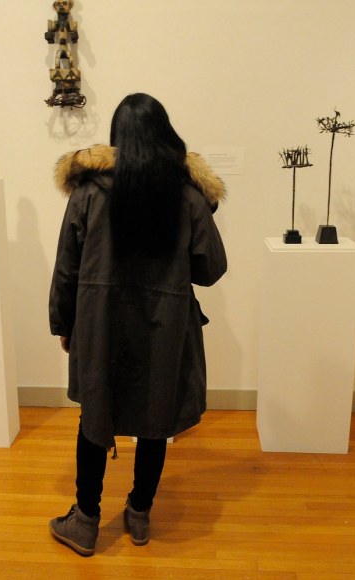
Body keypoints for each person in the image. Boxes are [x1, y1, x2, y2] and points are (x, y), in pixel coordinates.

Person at [48, 93, 227, 556]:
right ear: (165, 135)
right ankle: (140, 512)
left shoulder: (88, 192)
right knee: (155, 415)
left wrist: (64, 322)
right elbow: (210, 269)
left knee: (95, 413)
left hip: (99, 324)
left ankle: (85, 521)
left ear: (117, 138)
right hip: (165, 327)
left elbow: (67, 266)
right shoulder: (186, 196)